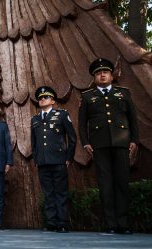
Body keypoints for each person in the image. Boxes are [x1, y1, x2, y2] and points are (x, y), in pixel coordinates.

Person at [78, 58, 139, 235]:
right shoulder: (87, 96)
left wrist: (134, 140)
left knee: (122, 183)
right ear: (94, 77)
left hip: (122, 143)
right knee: (105, 185)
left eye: (105, 72)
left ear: (111, 75)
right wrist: (86, 142)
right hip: (100, 145)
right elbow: (82, 123)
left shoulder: (123, 93)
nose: (102, 75)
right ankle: (111, 223)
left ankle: (123, 223)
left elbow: (132, 119)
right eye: (98, 73)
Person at [31, 86, 76, 233]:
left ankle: (62, 222)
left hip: (59, 160)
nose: (42, 99)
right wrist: (36, 159)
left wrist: (68, 158)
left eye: (46, 97)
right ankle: (51, 222)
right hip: (43, 162)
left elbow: (72, 138)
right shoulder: (35, 119)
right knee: (48, 193)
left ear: (53, 100)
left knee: (60, 192)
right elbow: (34, 142)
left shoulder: (61, 115)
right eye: (40, 98)